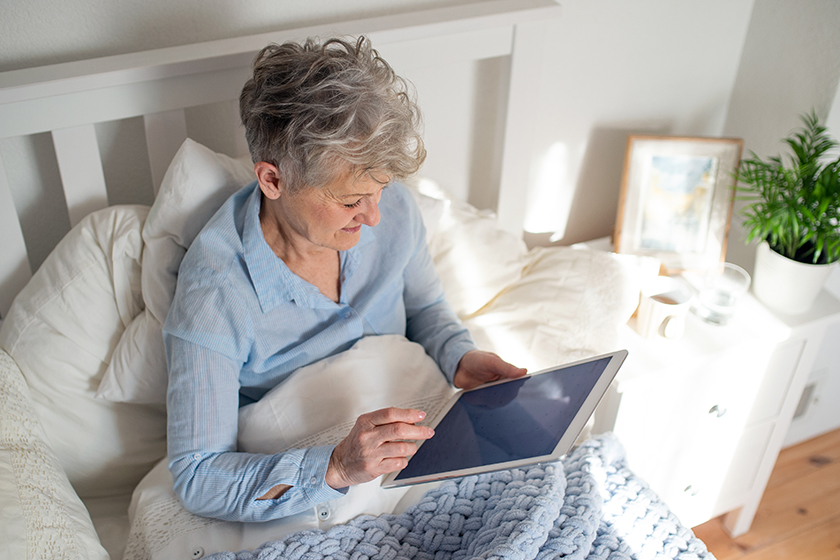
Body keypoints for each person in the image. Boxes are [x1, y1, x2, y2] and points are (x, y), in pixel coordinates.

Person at [163, 36, 525, 523]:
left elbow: (425, 310)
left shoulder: (393, 210)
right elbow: (197, 474)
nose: (374, 217)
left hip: (429, 446)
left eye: (379, 191)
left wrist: (460, 357)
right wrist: (335, 467)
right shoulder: (216, 294)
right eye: (352, 200)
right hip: (323, 486)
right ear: (273, 181)